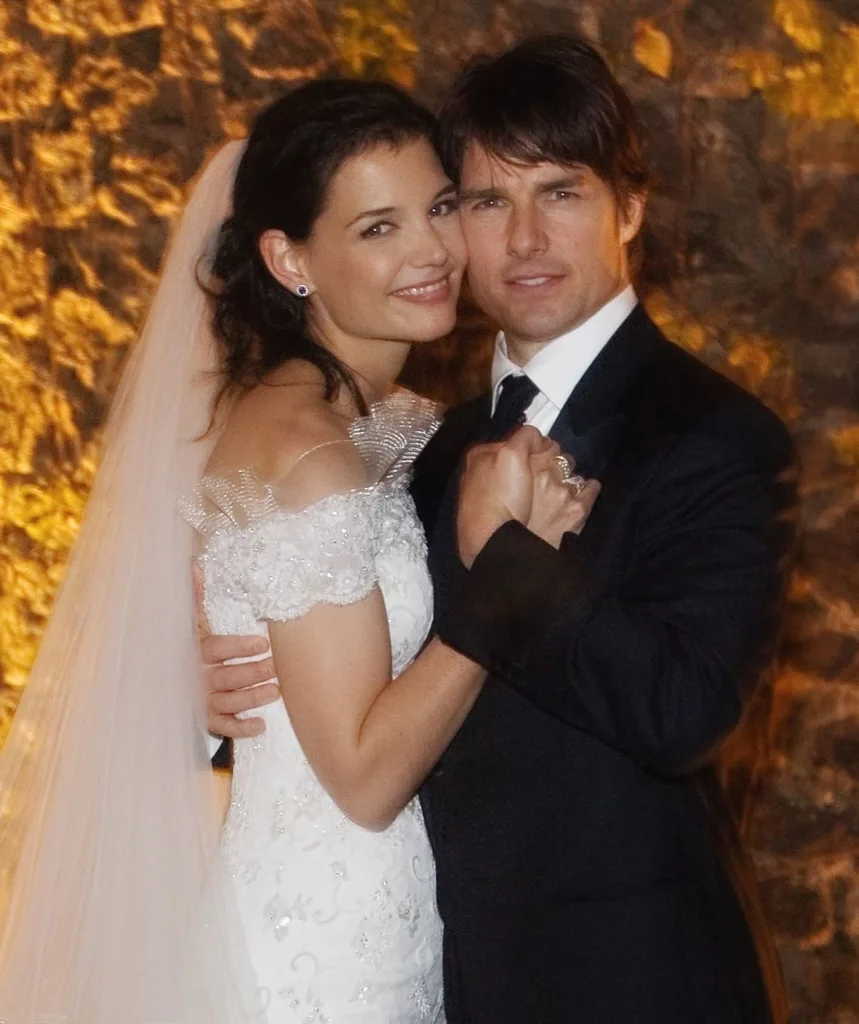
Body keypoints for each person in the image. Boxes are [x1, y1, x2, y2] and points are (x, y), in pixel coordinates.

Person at [207, 35, 799, 1024]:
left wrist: (510, 561)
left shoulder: (713, 436)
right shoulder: (420, 442)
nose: (523, 240)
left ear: (631, 208)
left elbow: (684, 712)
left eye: (560, 192)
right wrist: (220, 683)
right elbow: (346, 661)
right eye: (483, 200)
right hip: (431, 970)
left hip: (632, 984)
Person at [0, 79, 591, 1023]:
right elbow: (361, 779)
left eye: (438, 208)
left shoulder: (359, 423)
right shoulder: (314, 456)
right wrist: (508, 574)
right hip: (325, 947)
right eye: (376, 228)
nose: (432, 251)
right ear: (289, 258)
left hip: (352, 909)